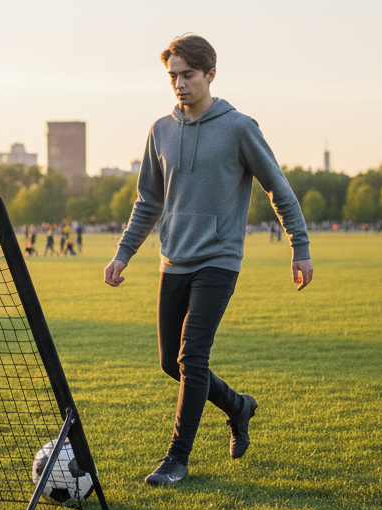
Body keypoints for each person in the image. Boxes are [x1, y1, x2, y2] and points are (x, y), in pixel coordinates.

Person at [103, 34, 313, 486]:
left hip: (219, 259)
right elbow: (148, 202)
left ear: (210, 75)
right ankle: (239, 406)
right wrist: (124, 253)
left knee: (192, 356)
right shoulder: (160, 130)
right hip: (172, 259)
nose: (179, 84)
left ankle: (176, 459)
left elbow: (278, 187)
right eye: (172, 76)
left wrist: (300, 246)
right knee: (170, 363)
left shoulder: (239, 127)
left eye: (187, 75)